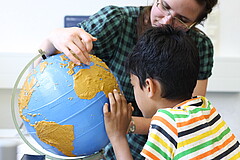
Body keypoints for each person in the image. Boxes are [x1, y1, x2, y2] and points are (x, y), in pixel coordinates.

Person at [39, 0, 218, 159]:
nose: (166, 22)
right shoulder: (116, 21)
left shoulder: (199, 47)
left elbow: (184, 118)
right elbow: (44, 70)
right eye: (164, 6)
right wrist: (52, 39)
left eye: (182, 20)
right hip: (105, 146)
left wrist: (122, 126)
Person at [103, 26, 240, 160]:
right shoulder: (205, 107)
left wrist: (118, 137)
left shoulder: (166, 124)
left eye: (134, 85)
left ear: (149, 87)